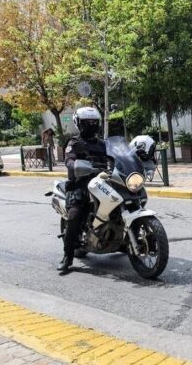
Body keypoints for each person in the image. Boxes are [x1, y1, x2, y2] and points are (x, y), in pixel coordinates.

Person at [58, 107, 108, 272]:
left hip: (102, 183)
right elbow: (69, 160)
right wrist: (74, 165)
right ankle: (68, 256)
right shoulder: (74, 143)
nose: (91, 124)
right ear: (79, 123)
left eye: (94, 122)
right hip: (80, 185)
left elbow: (116, 157)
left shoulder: (102, 144)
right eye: (87, 122)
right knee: (75, 215)